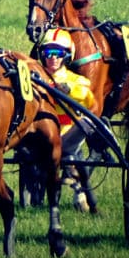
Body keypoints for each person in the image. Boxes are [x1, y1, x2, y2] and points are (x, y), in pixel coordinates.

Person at [38, 28, 100, 214]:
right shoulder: (35, 77)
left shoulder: (78, 81)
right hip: (42, 134)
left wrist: (68, 90)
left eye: (57, 53)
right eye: (48, 53)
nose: (52, 58)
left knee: (90, 122)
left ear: (66, 56)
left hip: (69, 133)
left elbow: (89, 100)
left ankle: (79, 165)